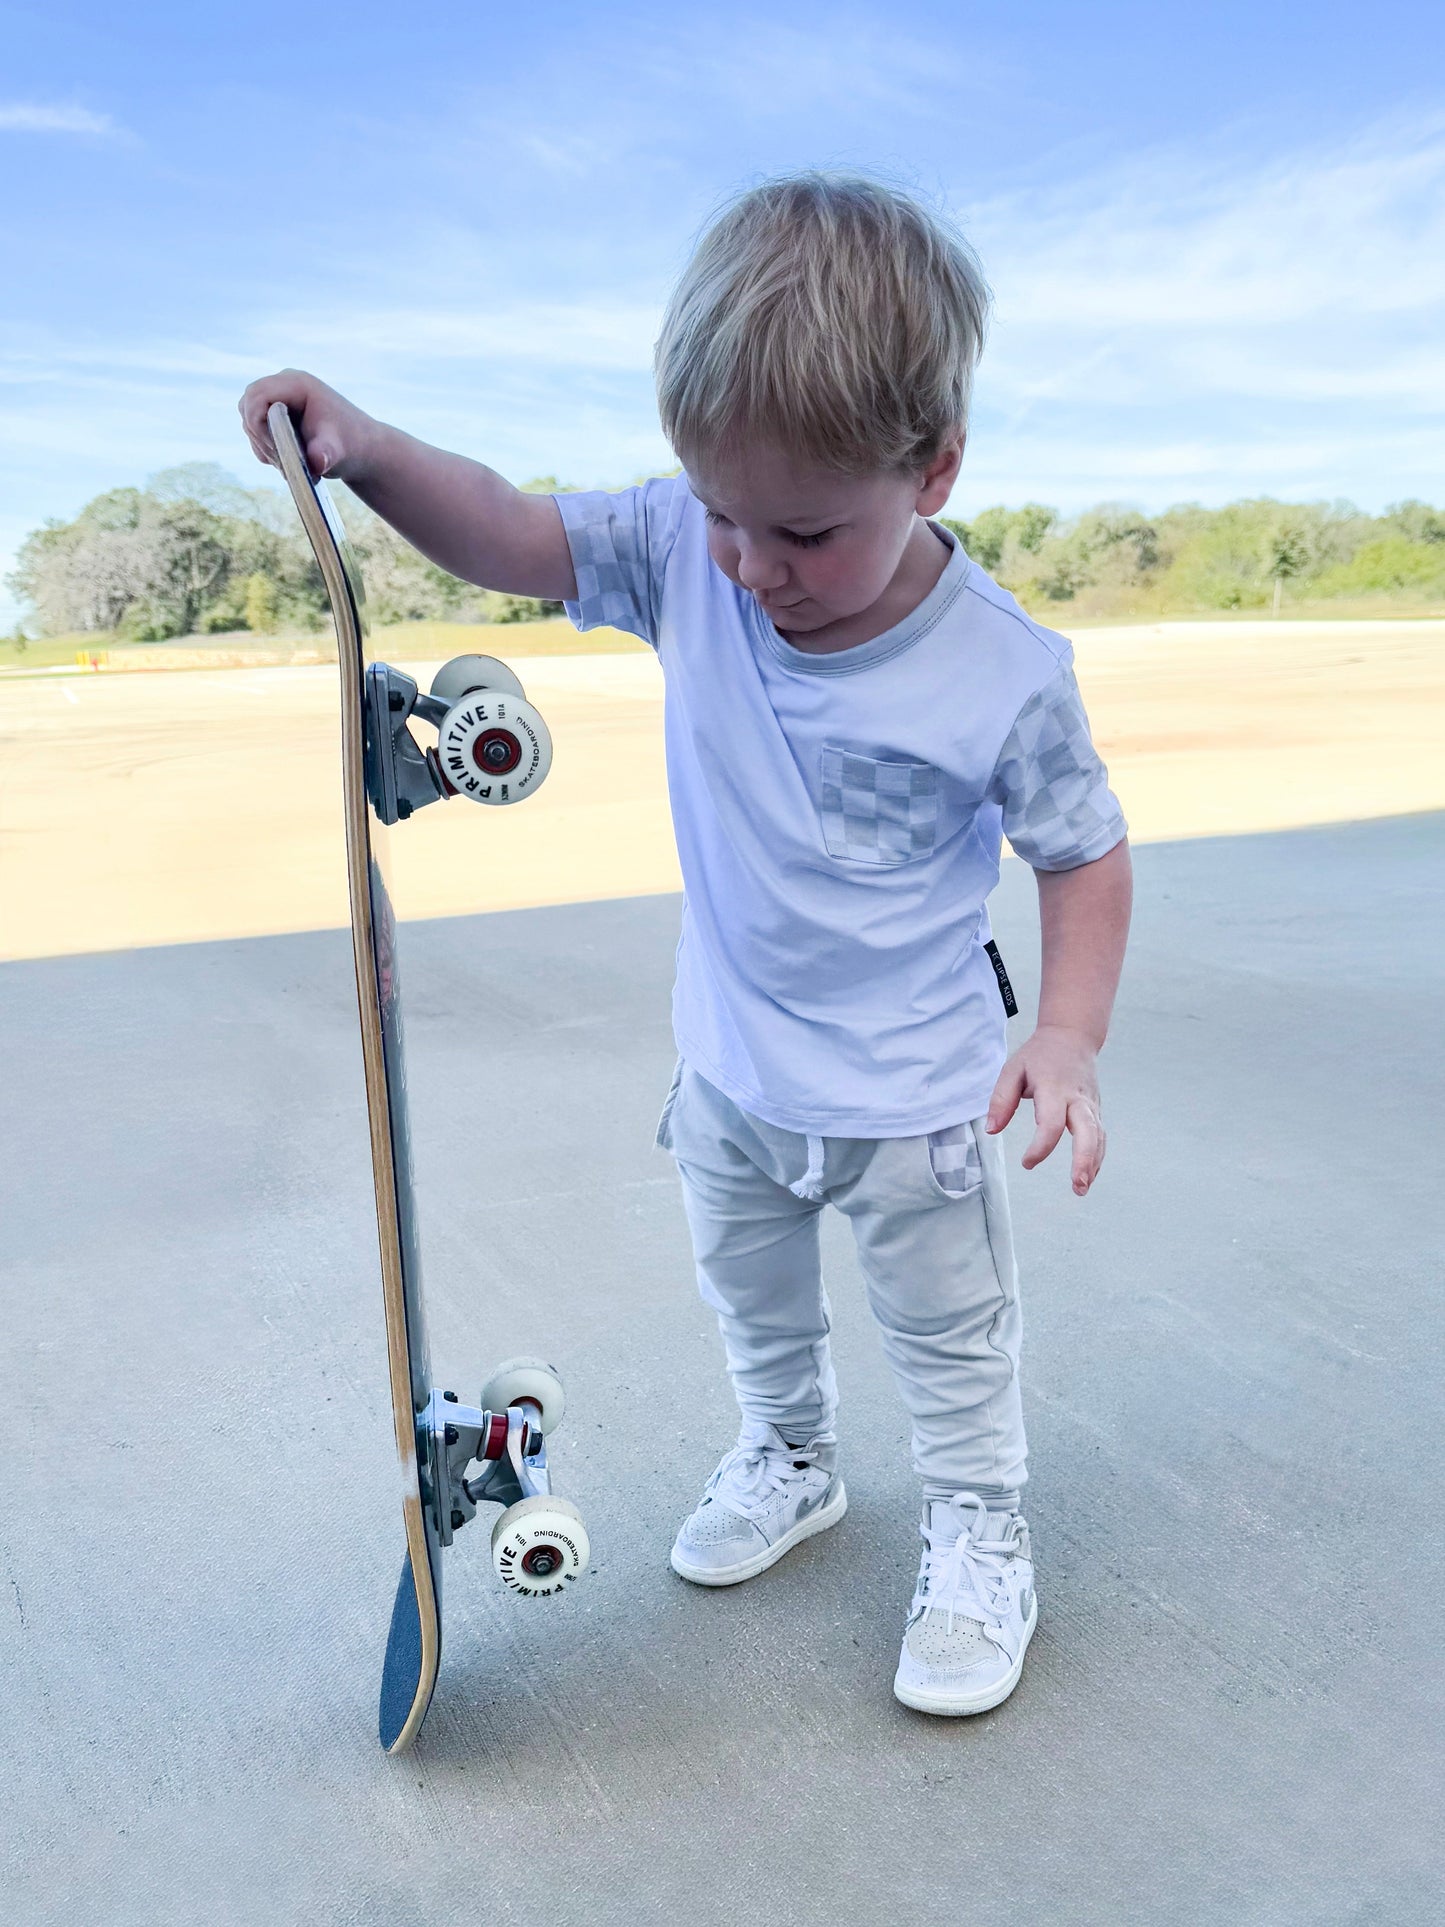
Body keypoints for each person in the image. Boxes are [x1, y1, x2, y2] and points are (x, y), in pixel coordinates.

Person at [240, 172, 1131, 1718]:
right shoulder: (680, 553)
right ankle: (790, 1460)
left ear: (931, 471)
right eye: (717, 511)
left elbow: (1083, 849)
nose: (747, 563)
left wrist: (1063, 1037)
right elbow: (511, 534)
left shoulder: (1000, 668)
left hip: (916, 1101)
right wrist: (369, 452)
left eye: (799, 529)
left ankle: (980, 1522)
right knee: (752, 1300)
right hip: (728, 1073)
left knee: (950, 1335)